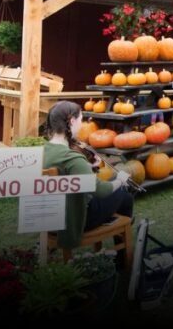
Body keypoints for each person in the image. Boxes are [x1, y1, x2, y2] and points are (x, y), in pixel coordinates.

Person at [42, 101, 133, 250]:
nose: (82, 124)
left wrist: (88, 167)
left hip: (49, 218)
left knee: (116, 189)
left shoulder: (44, 150)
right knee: (124, 194)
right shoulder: (72, 158)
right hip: (75, 219)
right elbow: (101, 191)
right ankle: (122, 259)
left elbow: (62, 174)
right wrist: (120, 180)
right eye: (81, 120)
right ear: (72, 121)